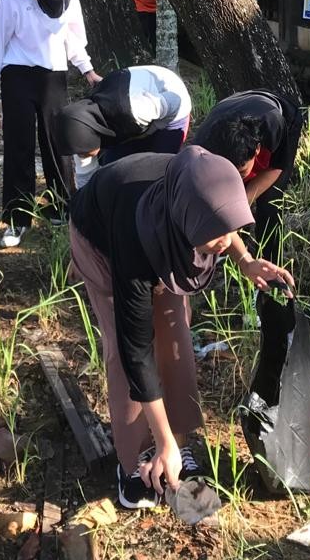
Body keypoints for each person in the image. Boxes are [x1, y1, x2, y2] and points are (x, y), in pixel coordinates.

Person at [69, 146, 294, 509]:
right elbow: (136, 350)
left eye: (229, 230)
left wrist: (247, 261)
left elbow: (221, 217)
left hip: (167, 232)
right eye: (215, 235)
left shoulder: (196, 192)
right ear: (188, 222)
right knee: (126, 348)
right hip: (103, 242)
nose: (224, 242)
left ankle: (178, 441)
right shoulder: (133, 241)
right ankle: (136, 462)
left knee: (175, 341)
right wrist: (161, 443)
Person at [0, 0, 101, 247]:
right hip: (17, 75)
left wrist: (88, 71)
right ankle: (17, 219)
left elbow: (74, 40)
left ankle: (60, 208)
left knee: (57, 144)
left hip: (53, 77)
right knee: (19, 147)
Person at [191, 90, 304, 261]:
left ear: (257, 150)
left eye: (242, 172)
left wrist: (241, 203)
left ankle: (272, 263)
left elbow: (276, 168)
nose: (237, 177)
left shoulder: (274, 124)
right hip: (231, 107)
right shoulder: (202, 146)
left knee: (269, 202)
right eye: (230, 171)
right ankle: (233, 251)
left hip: (283, 117)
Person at [52, 65, 192, 188]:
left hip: (170, 108)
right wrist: (82, 208)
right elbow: (86, 180)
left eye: (83, 152)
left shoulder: (138, 108)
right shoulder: (80, 128)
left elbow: (175, 101)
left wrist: (151, 130)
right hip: (126, 119)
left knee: (156, 174)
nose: (82, 156)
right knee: (112, 170)